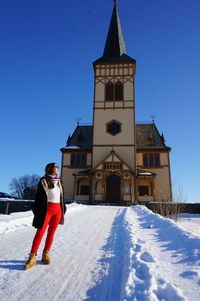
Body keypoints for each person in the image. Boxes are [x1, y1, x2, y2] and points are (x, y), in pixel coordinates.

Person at [24, 163, 67, 270]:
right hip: (46, 210)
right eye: (55, 167)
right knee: (40, 233)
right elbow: (38, 198)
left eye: (58, 167)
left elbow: (62, 197)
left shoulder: (60, 181)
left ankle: (45, 254)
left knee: (51, 233)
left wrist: (63, 210)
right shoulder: (43, 181)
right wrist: (37, 212)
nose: (58, 168)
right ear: (50, 169)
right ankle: (32, 256)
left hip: (58, 211)